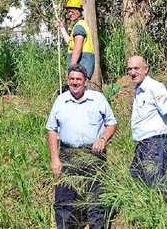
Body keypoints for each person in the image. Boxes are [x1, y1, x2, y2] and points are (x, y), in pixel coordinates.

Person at [46, 64, 117, 228]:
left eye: (78, 79)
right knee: (64, 200)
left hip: (93, 154)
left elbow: (111, 123)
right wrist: (55, 159)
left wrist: (103, 139)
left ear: (85, 81)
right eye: (72, 79)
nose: (75, 82)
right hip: (67, 154)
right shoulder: (60, 100)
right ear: (68, 80)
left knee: (96, 199)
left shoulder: (98, 99)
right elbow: (51, 129)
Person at [127, 56, 167, 191]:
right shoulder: (139, 89)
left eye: (136, 68)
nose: (132, 72)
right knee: (135, 178)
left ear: (146, 69)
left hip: (156, 143)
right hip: (143, 144)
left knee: (155, 184)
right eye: (129, 69)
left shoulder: (154, 87)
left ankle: (161, 210)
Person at [56, 0, 95, 81]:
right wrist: (62, 28)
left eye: (72, 11)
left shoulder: (79, 27)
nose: (70, 14)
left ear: (79, 11)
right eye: (68, 11)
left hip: (80, 69)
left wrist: (72, 69)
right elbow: (71, 44)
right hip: (82, 69)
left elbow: (77, 49)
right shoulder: (80, 25)